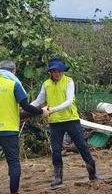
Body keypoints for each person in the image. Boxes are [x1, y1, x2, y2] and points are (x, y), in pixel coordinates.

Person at [0, 60, 48, 194]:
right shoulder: (14, 84)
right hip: (8, 130)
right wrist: (42, 112)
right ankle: (14, 192)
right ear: (13, 72)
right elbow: (26, 107)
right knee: (13, 161)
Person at [31, 58, 103, 187]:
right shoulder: (46, 84)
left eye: (60, 71)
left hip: (70, 119)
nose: (58, 74)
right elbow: (38, 101)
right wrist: (26, 108)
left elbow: (69, 100)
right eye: (55, 71)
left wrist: (54, 109)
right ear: (50, 72)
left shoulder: (68, 81)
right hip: (55, 122)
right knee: (56, 150)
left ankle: (92, 172)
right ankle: (58, 178)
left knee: (82, 145)